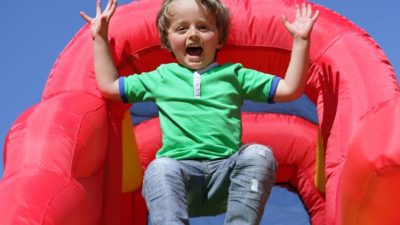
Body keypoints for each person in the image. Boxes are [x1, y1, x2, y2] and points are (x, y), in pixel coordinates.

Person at [80, 0, 318, 224]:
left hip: (227, 176)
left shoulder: (234, 74)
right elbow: (110, 87)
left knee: (259, 154)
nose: (193, 34)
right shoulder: (162, 77)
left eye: (203, 27)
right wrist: (100, 38)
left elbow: (289, 89)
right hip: (181, 180)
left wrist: (301, 42)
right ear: (167, 40)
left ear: (220, 39)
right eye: (182, 28)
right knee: (159, 168)